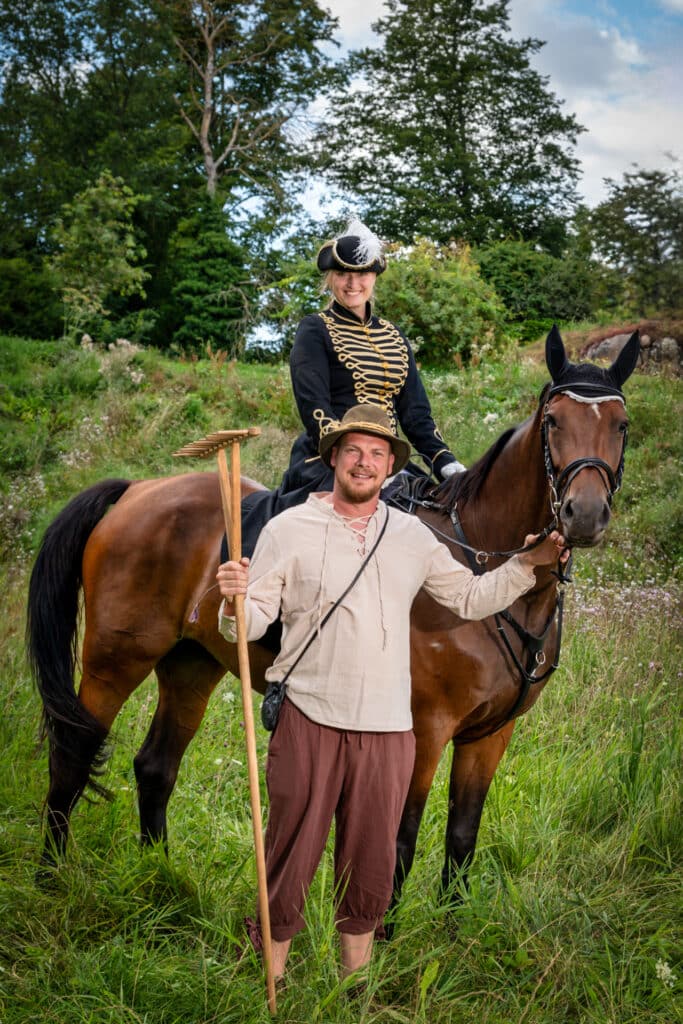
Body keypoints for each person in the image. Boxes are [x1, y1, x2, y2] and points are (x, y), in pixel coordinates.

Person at [217, 404, 568, 986]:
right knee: (290, 858)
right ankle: (271, 981)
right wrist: (234, 602)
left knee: (371, 866)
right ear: (334, 458)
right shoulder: (287, 530)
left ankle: (352, 989)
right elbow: (253, 622)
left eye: (377, 454)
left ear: (388, 466)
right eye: (353, 450)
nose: (364, 462)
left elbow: (470, 598)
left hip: (387, 732)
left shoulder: (412, 535)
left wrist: (526, 565)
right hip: (309, 718)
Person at [240, 218, 465, 556]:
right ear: (331, 278)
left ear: (373, 278)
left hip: (389, 461)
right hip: (327, 457)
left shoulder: (394, 336)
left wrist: (445, 462)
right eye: (343, 274)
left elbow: (416, 414)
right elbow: (314, 408)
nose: (352, 283)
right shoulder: (314, 329)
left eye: (361, 274)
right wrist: (355, 456)